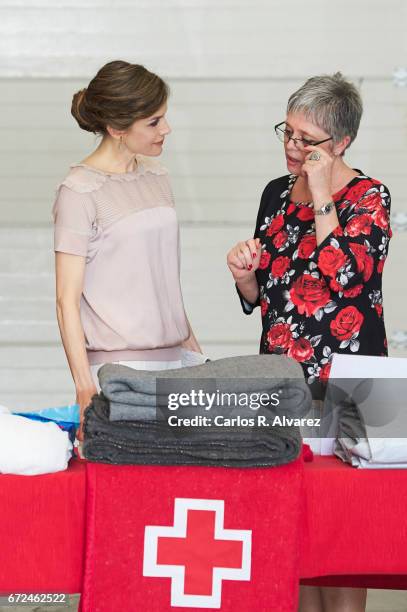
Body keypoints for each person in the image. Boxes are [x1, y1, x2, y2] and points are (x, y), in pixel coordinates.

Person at [227, 73, 392, 612]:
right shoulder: (275, 193)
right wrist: (245, 277)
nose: (292, 148)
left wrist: (323, 196)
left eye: (307, 140)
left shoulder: (370, 197)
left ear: (342, 143)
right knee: (292, 525)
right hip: (281, 379)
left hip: (351, 385)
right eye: (288, 133)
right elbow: (269, 293)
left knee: (343, 535)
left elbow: (344, 277)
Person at [53, 60, 202, 440]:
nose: (165, 129)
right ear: (117, 128)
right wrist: (84, 385)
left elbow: (163, 275)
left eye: (164, 117)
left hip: (178, 362)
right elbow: (65, 301)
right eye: (154, 122)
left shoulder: (158, 177)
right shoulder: (79, 191)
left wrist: (196, 355)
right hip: (120, 373)